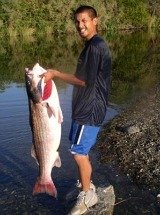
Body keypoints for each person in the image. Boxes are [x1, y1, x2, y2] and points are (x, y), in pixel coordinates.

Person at [43, 5, 111, 215]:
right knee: (80, 150)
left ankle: (87, 197)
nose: (80, 25)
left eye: (85, 20)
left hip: (89, 110)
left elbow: (83, 80)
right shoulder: (91, 45)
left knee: (78, 153)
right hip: (85, 108)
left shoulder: (96, 46)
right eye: (77, 21)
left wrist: (55, 73)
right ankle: (85, 186)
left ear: (95, 21)